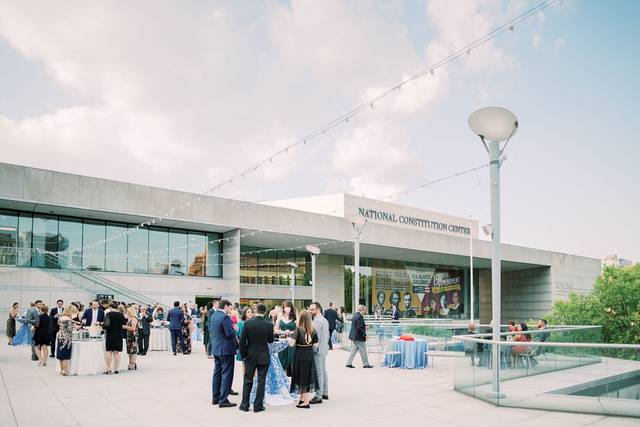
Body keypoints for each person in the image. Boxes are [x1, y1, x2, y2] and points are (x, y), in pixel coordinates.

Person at [238, 303, 274, 412]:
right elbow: (271, 340)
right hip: (263, 355)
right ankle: (258, 406)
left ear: (256, 310)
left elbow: (242, 341)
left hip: (250, 355)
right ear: (265, 312)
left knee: (248, 380)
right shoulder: (269, 324)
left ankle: (245, 405)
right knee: (261, 381)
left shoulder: (248, 323)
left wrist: (243, 354)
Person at [211, 300, 238, 408]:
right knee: (227, 374)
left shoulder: (213, 315)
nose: (230, 310)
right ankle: (223, 400)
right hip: (226, 350)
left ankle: (215, 397)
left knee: (217, 373)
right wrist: (234, 329)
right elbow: (229, 333)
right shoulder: (225, 317)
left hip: (216, 349)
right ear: (225, 306)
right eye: (229, 308)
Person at [289, 310, 319, 408]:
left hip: (300, 356)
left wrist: (289, 338)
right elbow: (315, 346)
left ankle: (306, 402)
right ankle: (302, 399)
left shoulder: (298, 330)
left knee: (302, 377)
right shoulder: (313, 330)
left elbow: (291, 344)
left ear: (301, 318)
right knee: (306, 376)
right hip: (309, 355)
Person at [309, 302, 329, 404]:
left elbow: (315, 338)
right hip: (324, 349)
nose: (310, 311)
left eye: (312, 309)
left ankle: (318, 396)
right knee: (323, 371)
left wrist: (313, 349)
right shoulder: (324, 320)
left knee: (319, 372)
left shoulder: (316, 321)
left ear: (317, 309)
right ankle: (325, 392)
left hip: (318, 350)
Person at [103, 301, 126, 374]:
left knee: (109, 351)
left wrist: (101, 325)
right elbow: (123, 324)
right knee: (116, 352)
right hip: (119, 335)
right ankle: (116, 369)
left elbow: (106, 325)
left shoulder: (108, 314)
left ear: (109, 307)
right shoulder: (121, 315)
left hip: (110, 334)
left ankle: (109, 368)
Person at [275, 300, 297, 375]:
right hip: (282, 340)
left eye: (288, 307)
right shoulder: (280, 317)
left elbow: (299, 329)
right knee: (281, 360)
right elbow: (275, 330)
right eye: (285, 307)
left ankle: (292, 379)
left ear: (291, 308)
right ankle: (282, 378)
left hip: (292, 341)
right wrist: (283, 332)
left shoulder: (295, 317)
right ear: (283, 308)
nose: (287, 308)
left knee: (291, 359)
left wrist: (291, 332)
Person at [56, 305, 78, 375]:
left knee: (60, 355)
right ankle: (65, 370)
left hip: (60, 337)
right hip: (66, 338)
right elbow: (70, 329)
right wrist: (76, 327)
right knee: (65, 355)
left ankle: (62, 370)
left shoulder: (60, 318)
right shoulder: (68, 319)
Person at [125, 306, 139, 370]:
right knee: (130, 350)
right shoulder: (130, 318)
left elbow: (133, 328)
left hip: (133, 336)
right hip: (129, 336)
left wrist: (125, 327)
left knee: (133, 350)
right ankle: (130, 363)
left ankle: (133, 364)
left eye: (128, 312)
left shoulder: (134, 319)